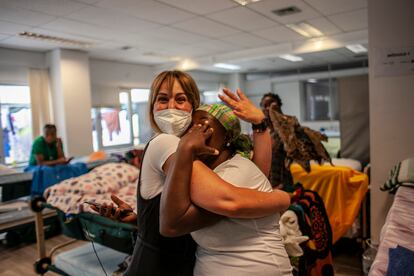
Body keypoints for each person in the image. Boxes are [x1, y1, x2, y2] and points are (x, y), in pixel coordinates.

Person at [96, 70, 283, 276]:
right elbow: (228, 199)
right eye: (162, 99)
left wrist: (142, 219)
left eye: (181, 99)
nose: (171, 107)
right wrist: (279, 199)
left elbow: (246, 177)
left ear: (193, 106)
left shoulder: (192, 151)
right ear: (152, 107)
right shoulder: (168, 143)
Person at [160, 103, 292, 275]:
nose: (194, 132)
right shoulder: (204, 174)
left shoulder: (238, 170)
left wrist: (282, 199)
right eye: (191, 125)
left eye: (203, 123)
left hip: (258, 265)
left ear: (228, 136)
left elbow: (175, 223)